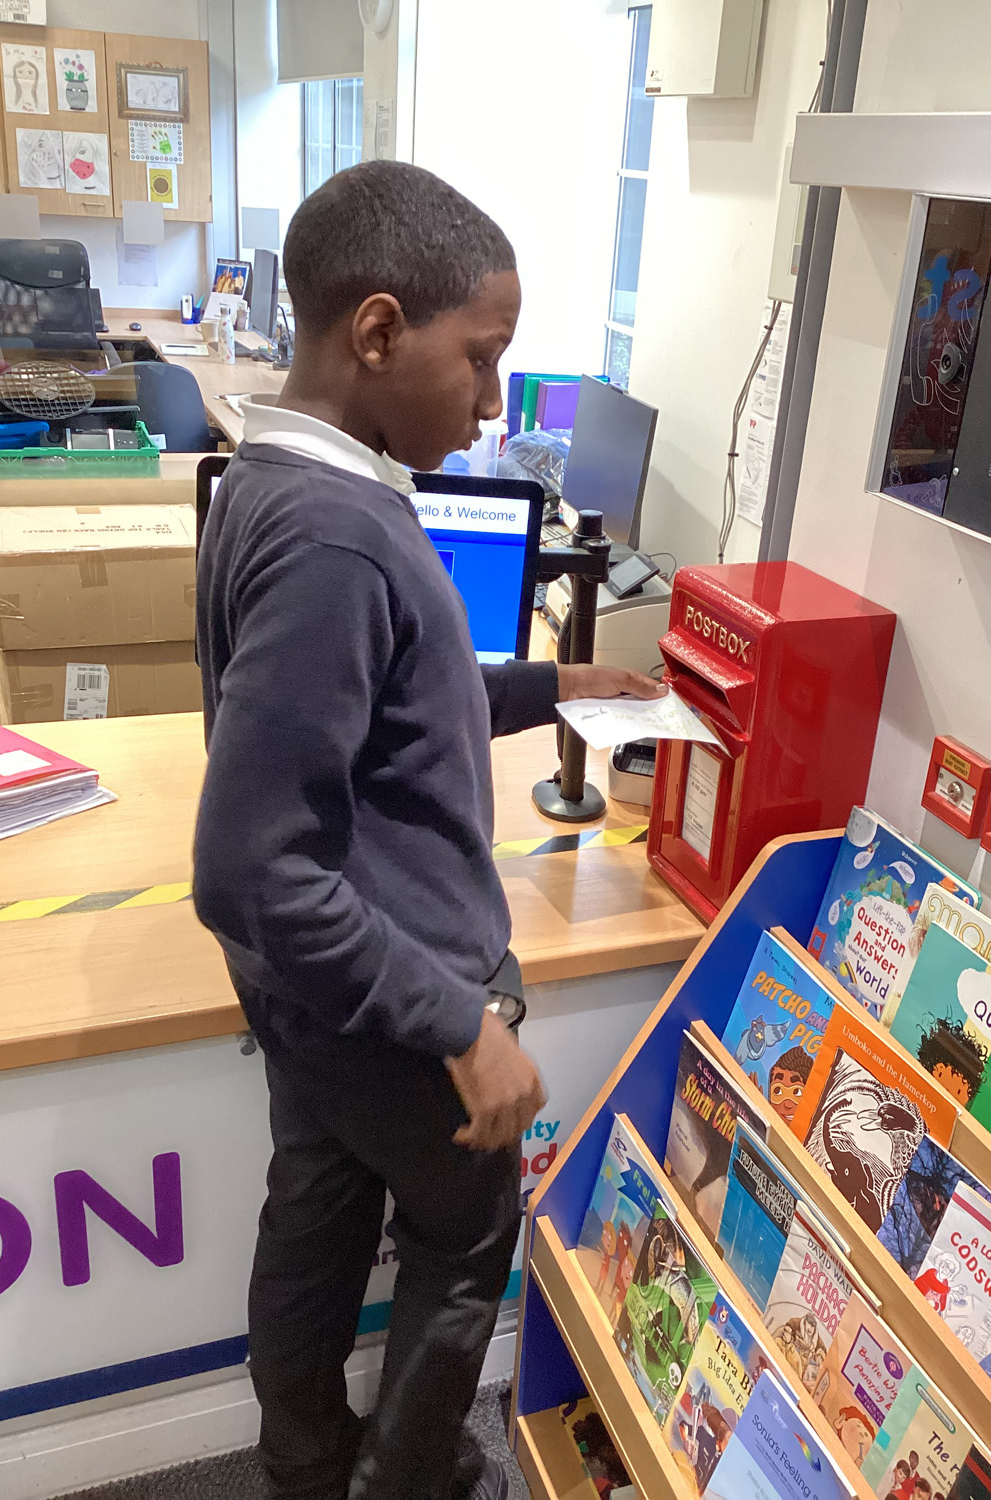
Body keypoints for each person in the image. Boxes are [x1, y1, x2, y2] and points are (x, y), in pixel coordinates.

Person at [192, 159, 665, 1500]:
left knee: (319, 1210)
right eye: (482, 357)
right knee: (461, 1243)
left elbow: (389, 697)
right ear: (380, 331)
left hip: (312, 995)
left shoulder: (275, 482)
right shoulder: (338, 535)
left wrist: (551, 684)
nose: (495, 400)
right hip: (390, 996)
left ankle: (305, 1463)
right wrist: (462, 1024)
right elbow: (249, 868)